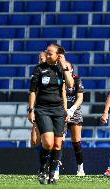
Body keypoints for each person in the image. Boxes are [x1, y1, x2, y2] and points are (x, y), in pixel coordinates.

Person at [28, 43, 74, 184]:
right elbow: (33, 91)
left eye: (50, 53)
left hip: (58, 111)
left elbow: (70, 85)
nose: (47, 55)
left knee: (58, 145)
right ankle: (42, 169)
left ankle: (53, 173)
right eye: (46, 53)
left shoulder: (62, 68)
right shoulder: (39, 69)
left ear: (57, 55)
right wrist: (31, 110)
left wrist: (64, 65)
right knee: (48, 143)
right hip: (42, 110)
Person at [65, 62, 85, 176]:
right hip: (61, 113)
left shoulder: (77, 80)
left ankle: (80, 168)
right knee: (59, 142)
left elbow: (80, 98)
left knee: (76, 142)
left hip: (74, 113)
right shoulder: (59, 80)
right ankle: (55, 169)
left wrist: (71, 110)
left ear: (72, 70)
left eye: (67, 68)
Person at [30, 51, 47, 147]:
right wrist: (31, 109)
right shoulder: (36, 73)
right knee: (34, 141)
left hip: (52, 109)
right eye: (38, 59)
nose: (38, 61)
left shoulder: (56, 72)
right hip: (39, 108)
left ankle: (54, 160)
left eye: (41, 59)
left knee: (50, 140)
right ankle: (44, 159)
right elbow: (33, 92)